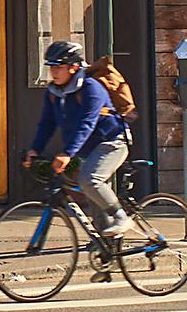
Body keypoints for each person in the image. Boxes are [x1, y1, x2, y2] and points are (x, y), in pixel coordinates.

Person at [25, 41, 133, 272]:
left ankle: (121, 216)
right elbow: (46, 124)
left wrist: (66, 153)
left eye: (58, 67)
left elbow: (87, 124)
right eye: (51, 67)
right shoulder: (54, 93)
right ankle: (107, 252)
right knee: (88, 191)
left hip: (112, 142)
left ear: (73, 67)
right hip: (87, 148)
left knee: (90, 179)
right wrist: (35, 149)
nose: (53, 71)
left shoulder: (91, 88)